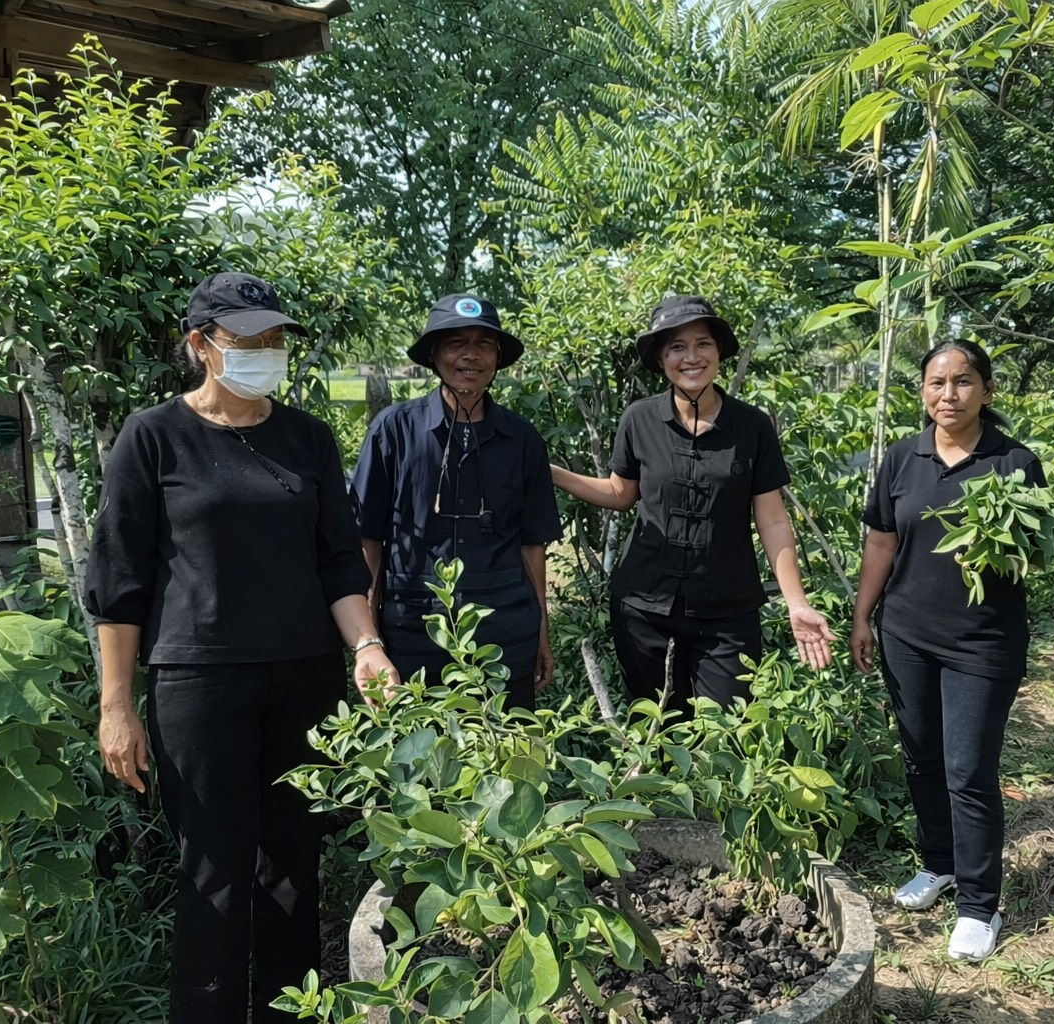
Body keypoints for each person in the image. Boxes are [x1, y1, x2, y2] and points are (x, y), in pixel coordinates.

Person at [87, 272, 392, 1024]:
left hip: (304, 678)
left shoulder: (307, 438)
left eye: (275, 340)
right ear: (202, 345)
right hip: (199, 681)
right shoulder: (153, 436)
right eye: (248, 341)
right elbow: (118, 582)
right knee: (213, 873)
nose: (267, 353)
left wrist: (367, 647)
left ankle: (290, 1014)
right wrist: (116, 705)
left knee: (294, 867)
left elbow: (338, 563)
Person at [849, 338, 1045, 962]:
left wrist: (998, 546)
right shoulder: (902, 459)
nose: (949, 395)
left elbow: (1034, 552)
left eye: (963, 382)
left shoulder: (1013, 463)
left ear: (986, 390)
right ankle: (939, 866)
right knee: (922, 759)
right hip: (906, 634)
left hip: (982, 643)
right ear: (923, 391)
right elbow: (881, 543)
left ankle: (979, 905)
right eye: (936, 383)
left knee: (969, 771)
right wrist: (863, 616)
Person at [551, 294, 833, 713]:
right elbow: (620, 493)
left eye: (703, 343)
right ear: (662, 358)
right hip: (642, 607)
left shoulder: (751, 426)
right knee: (654, 733)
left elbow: (772, 519)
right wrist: (550, 472)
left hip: (727, 612)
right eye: (676, 347)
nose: (691, 357)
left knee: (723, 737)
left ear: (719, 351)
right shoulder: (638, 419)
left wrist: (797, 602)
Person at [350, 293, 561, 708]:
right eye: (456, 343)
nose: (470, 356)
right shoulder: (393, 431)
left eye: (483, 344)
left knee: (510, 758)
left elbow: (532, 544)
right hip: (413, 632)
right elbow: (368, 540)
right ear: (434, 354)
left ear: (498, 357)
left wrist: (541, 629)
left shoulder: (523, 440)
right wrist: (368, 637)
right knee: (418, 765)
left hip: (505, 634)